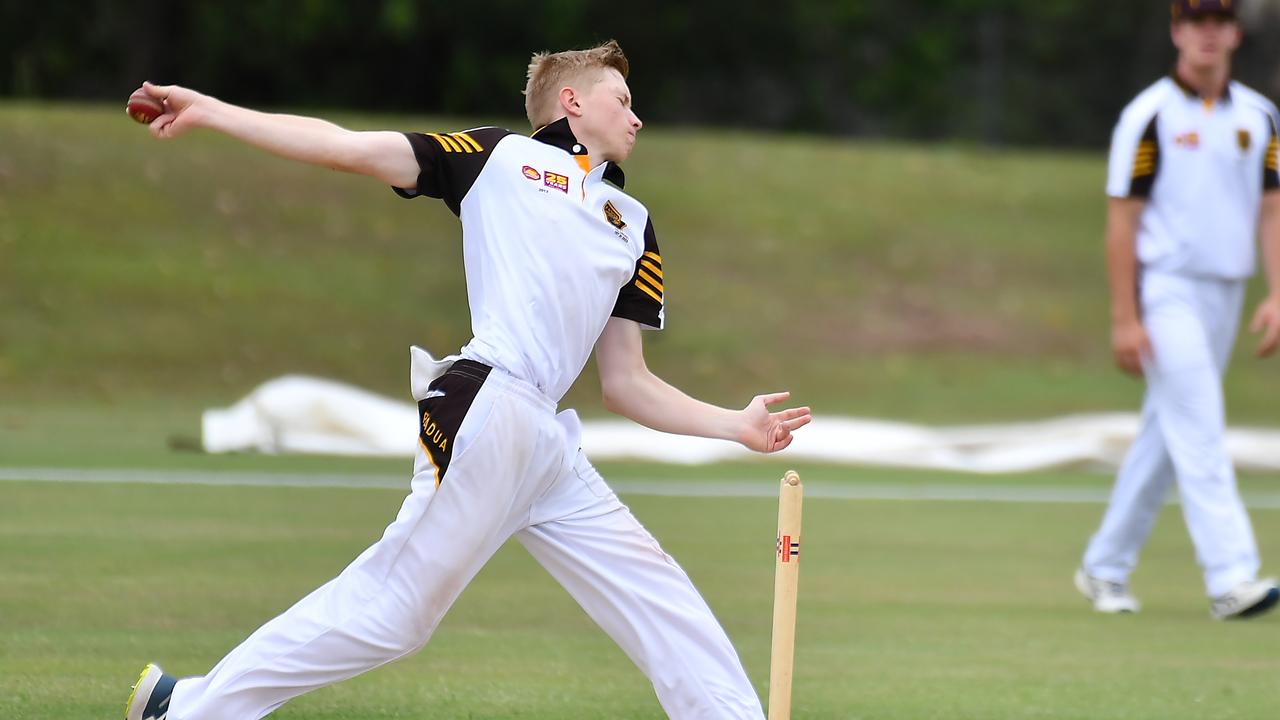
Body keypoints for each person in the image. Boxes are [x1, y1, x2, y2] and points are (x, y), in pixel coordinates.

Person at [123, 40, 811, 720]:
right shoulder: (498, 157)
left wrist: (735, 424)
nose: (637, 118)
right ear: (572, 102)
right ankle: (187, 712)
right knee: (394, 616)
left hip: (547, 446)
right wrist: (211, 110)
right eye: (622, 100)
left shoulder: (632, 224)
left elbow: (626, 383)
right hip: (488, 404)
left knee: (655, 591)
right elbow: (345, 146)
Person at [1075, 0, 1280, 620]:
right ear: (1176, 31)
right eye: (1195, 20)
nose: (1207, 33)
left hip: (1226, 291)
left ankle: (1104, 566)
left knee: (1168, 434)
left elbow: (1271, 209)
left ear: (1235, 32)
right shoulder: (1150, 116)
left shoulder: (1259, 116)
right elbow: (1122, 220)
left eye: (1218, 20)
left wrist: (1277, 291)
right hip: (1166, 288)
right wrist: (1124, 316)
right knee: (1199, 425)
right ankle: (1231, 577)